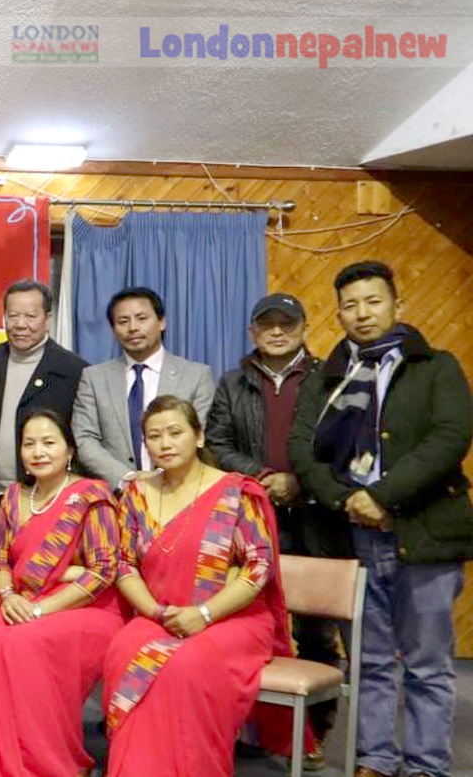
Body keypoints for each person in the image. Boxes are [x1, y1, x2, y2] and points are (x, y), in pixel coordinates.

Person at [290, 261, 472, 777]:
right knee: (368, 660)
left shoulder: (436, 367)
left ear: (397, 305)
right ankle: (374, 758)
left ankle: (426, 764)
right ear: (339, 314)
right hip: (353, 536)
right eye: (350, 305)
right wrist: (346, 500)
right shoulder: (326, 377)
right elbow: (302, 447)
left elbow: (450, 438)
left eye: (373, 301)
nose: (362, 314)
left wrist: (381, 496)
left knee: (427, 663)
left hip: (423, 534)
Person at [103, 395, 288, 777]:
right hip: (162, 614)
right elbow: (123, 564)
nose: (165, 443)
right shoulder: (137, 494)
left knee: (187, 664)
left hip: (230, 618)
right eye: (154, 436)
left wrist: (203, 613)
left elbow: (258, 567)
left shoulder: (235, 492)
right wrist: (156, 612)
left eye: (175, 433)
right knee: (124, 649)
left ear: (199, 436)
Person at [206, 292, 343, 759]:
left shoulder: (329, 379)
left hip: (316, 517)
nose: (278, 331)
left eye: (288, 323)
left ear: (304, 327)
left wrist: (299, 481)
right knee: (245, 622)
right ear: (253, 332)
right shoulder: (232, 383)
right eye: (268, 324)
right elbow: (217, 444)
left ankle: (310, 736)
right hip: (250, 518)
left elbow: (340, 445)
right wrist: (264, 478)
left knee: (315, 630)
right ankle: (247, 727)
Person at [0, 409, 123, 777]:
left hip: (86, 607)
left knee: (19, 642)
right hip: (24, 598)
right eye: (29, 444)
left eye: (48, 442)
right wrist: (7, 597)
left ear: (69, 450)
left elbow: (103, 572)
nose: (38, 452)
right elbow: (0, 560)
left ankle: (45, 759)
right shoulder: (14, 497)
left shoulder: (90, 495)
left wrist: (41, 609)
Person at [72, 287, 216, 488]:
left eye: (142, 318)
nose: (133, 328)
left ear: (161, 322)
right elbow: (85, 438)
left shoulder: (196, 376)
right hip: (117, 493)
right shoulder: (94, 378)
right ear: (113, 329)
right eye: (123, 321)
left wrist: (160, 478)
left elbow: (198, 433)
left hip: (181, 489)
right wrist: (127, 478)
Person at [0, 280, 87, 497]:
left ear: (47, 319)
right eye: (13, 316)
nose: (20, 324)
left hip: (46, 493)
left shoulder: (74, 371)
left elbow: (81, 439)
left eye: (31, 316)